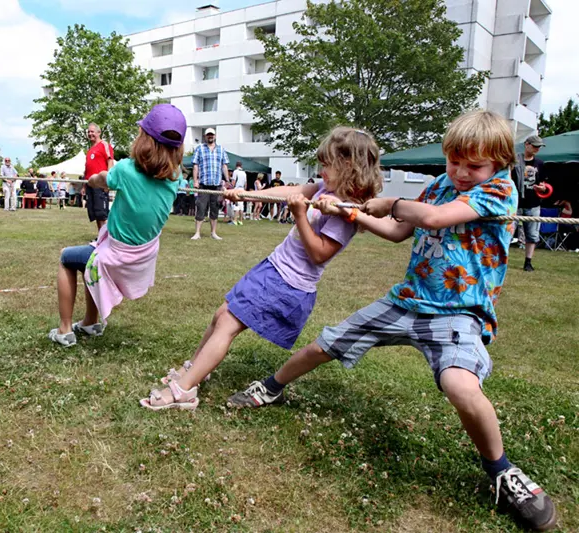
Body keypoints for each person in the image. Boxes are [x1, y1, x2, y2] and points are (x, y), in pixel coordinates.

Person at [227, 110, 557, 532]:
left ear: (497, 162)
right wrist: (354, 215)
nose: (460, 172)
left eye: (473, 165)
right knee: (325, 344)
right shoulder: (439, 185)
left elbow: (431, 219)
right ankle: (270, 388)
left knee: (459, 385)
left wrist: (392, 204)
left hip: (458, 311)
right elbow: (399, 232)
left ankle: (502, 471)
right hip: (407, 301)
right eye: (454, 161)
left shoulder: (500, 190)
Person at [141, 126, 383, 410]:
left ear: (349, 166)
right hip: (273, 269)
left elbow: (318, 254)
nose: (321, 170)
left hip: (288, 283)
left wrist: (300, 216)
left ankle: (184, 390)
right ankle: (196, 369)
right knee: (221, 316)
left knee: (228, 325)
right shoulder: (322, 188)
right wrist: (248, 195)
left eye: (327, 164)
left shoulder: (345, 211)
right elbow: (290, 191)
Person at [49, 104, 186, 347]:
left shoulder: (125, 169)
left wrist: (91, 180)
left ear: (145, 139)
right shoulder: (176, 179)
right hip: (140, 260)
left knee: (66, 258)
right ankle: (90, 322)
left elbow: (100, 179)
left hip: (118, 258)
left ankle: (65, 329)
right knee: (89, 260)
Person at [512, 135, 548, 271]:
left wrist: (543, 188)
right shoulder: (514, 161)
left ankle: (528, 262)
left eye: (539, 147)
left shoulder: (540, 163)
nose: (537, 149)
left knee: (532, 235)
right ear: (526, 144)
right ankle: (502, 259)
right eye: (535, 146)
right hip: (515, 203)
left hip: (533, 203)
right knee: (507, 233)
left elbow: (543, 184)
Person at [191, 128, 229, 240]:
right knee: (201, 208)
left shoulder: (221, 149)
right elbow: (195, 166)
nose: (210, 136)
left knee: (215, 209)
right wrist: (195, 181)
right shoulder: (199, 149)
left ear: (215, 136)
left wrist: (227, 180)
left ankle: (213, 233)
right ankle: (197, 233)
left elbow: (224, 166)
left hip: (216, 185)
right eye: (208, 135)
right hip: (203, 184)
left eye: (212, 135)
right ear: (205, 136)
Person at [84, 123, 115, 233]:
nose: (90, 134)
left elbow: (110, 161)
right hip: (90, 184)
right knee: (96, 213)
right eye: (88, 132)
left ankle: (107, 238)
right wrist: (84, 185)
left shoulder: (104, 145)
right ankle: (100, 237)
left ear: (99, 132)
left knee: (102, 214)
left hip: (100, 184)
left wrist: (108, 181)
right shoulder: (90, 150)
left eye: (92, 131)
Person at [231, 161, 247, 225]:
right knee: (241, 206)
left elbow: (233, 182)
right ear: (241, 166)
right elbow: (246, 183)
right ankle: (240, 221)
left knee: (236, 205)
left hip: (237, 189)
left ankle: (235, 221)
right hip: (242, 189)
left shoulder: (235, 172)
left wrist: (231, 188)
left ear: (236, 165)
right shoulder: (244, 173)